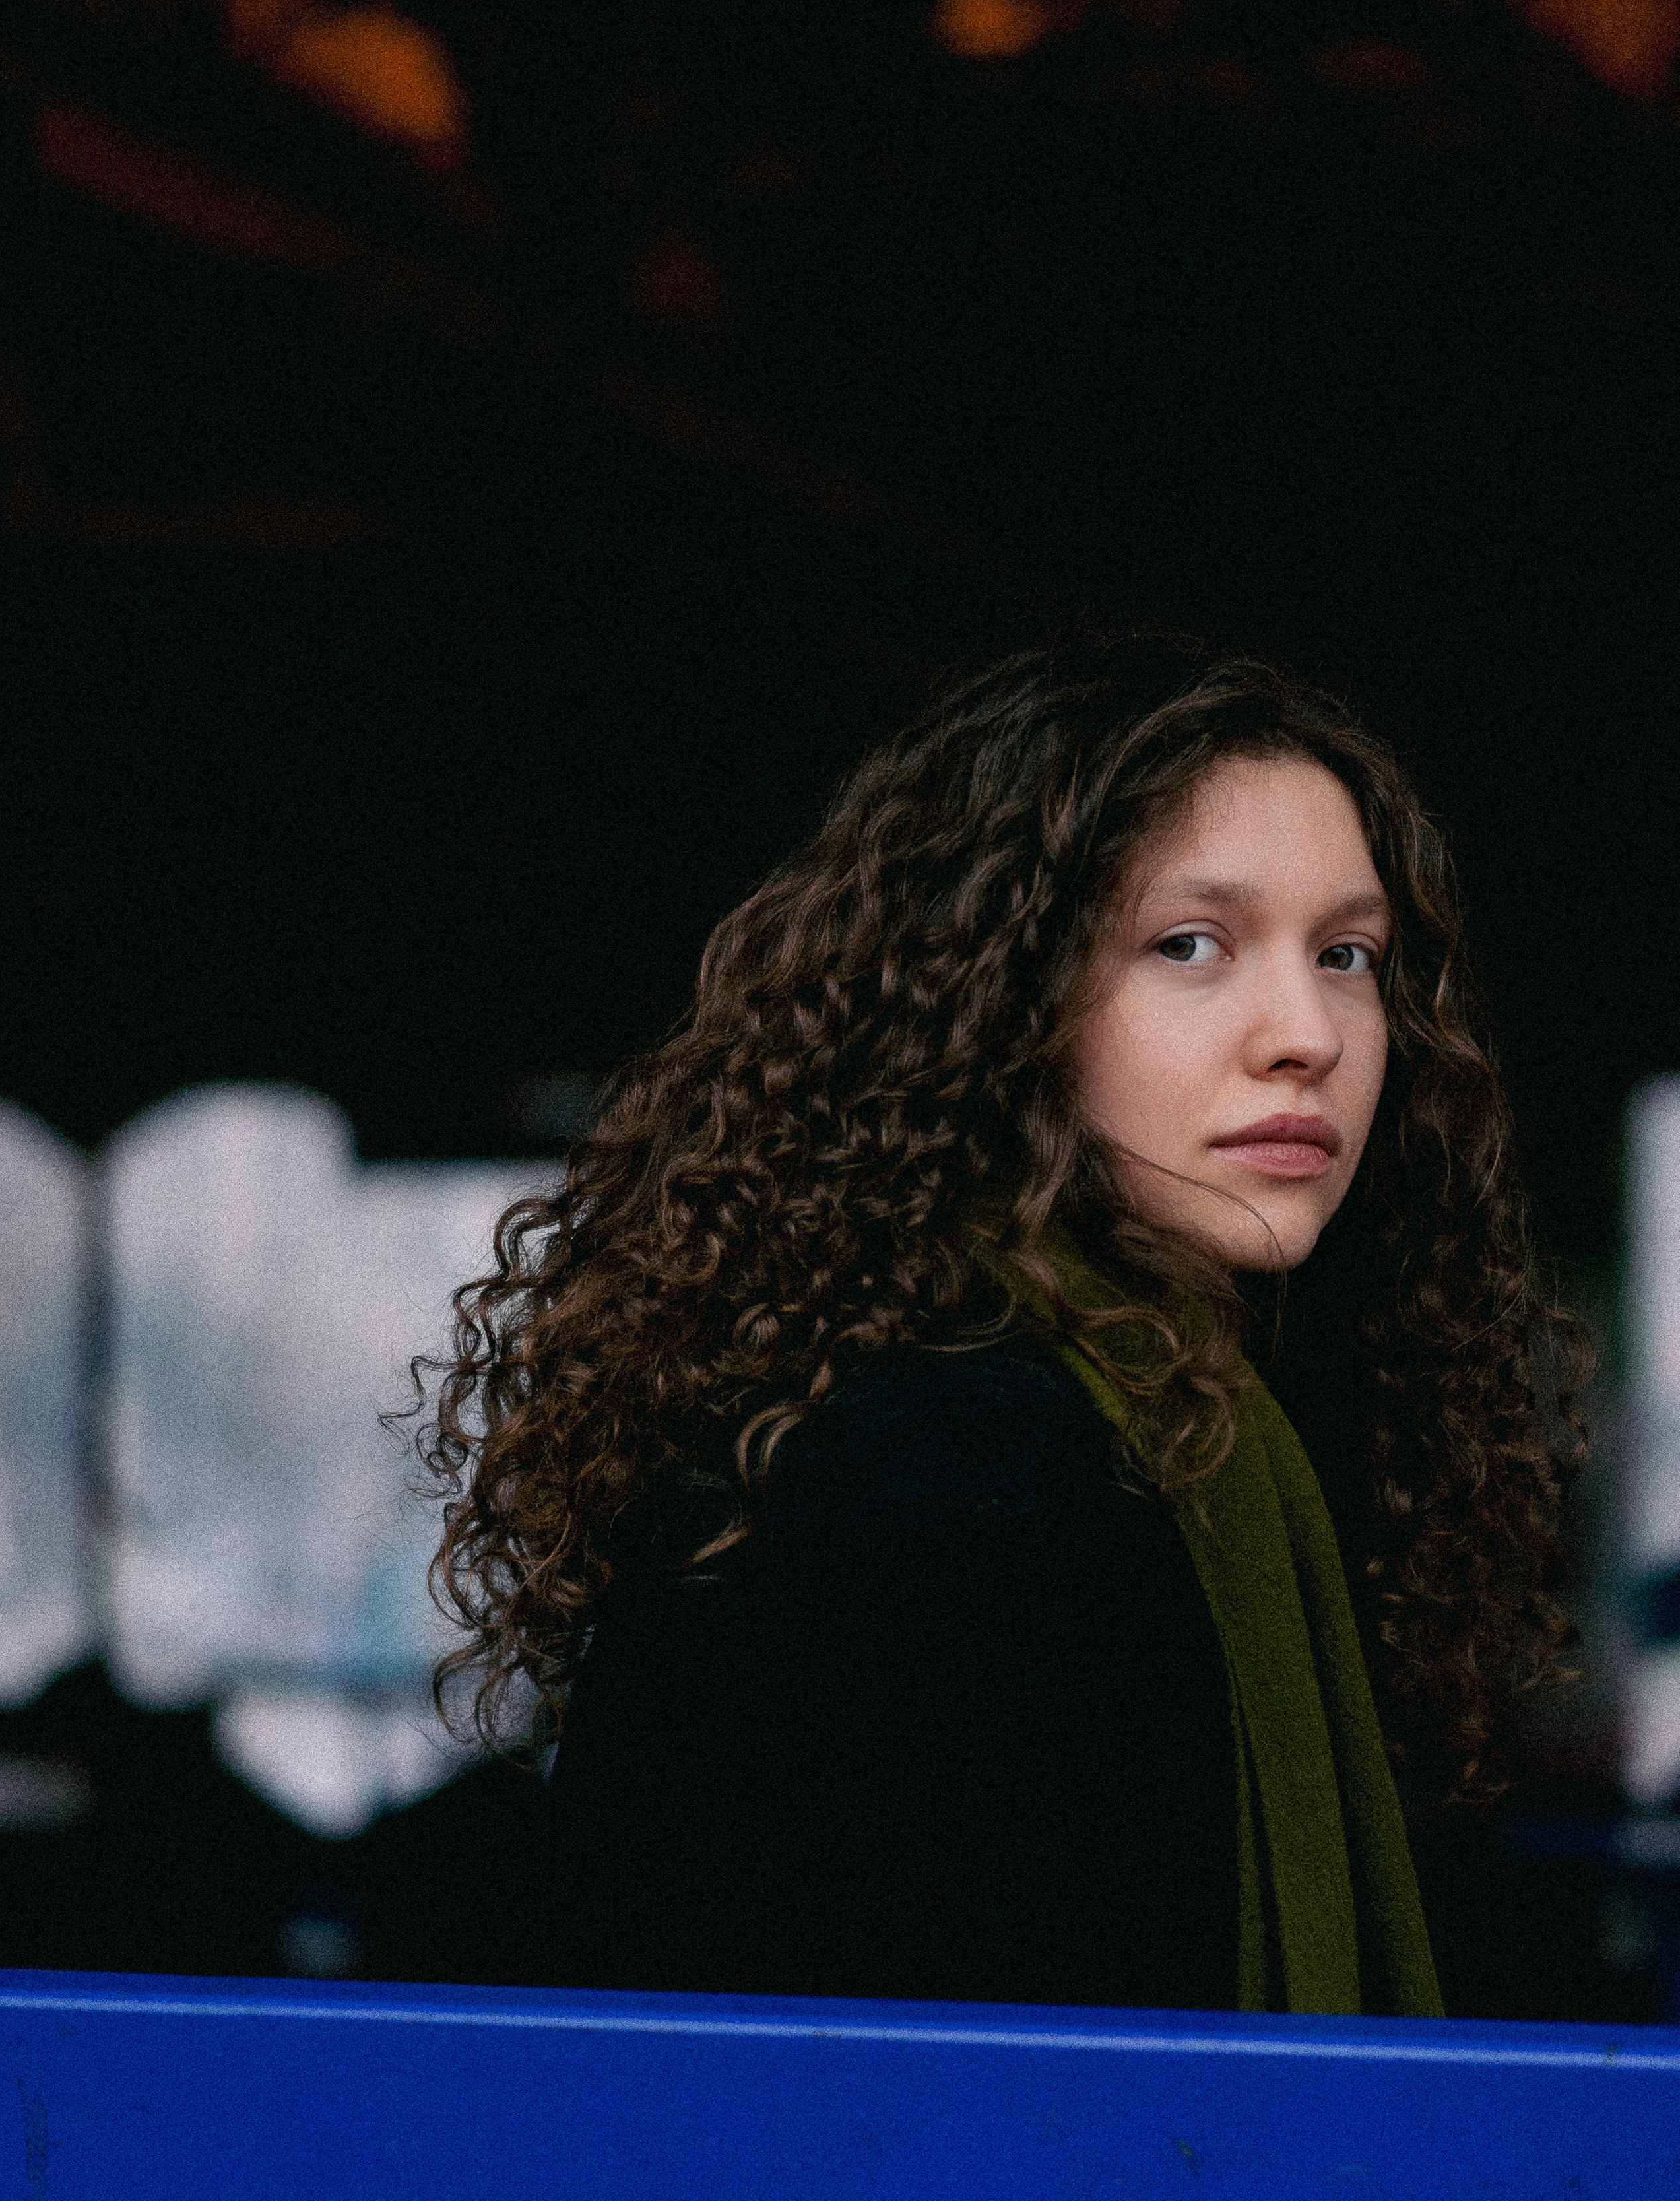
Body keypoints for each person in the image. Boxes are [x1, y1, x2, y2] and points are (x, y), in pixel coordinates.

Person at [421, 630, 1590, 2014]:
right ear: (1000, 996)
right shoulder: (949, 1461)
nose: (1307, 1034)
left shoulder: (1198, 1423)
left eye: (1346, 954)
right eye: (1189, 945)